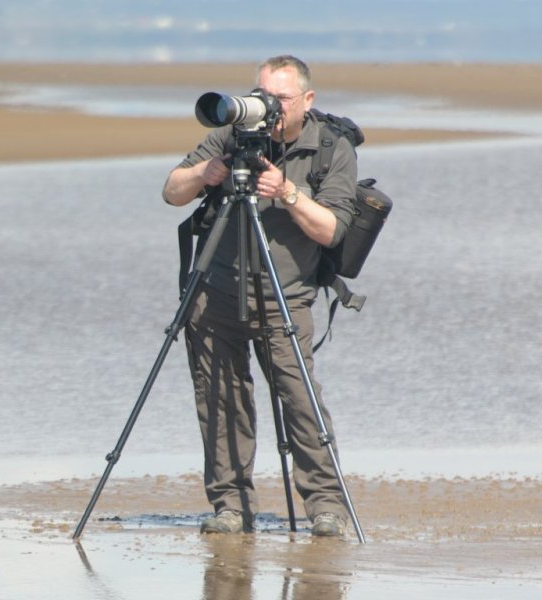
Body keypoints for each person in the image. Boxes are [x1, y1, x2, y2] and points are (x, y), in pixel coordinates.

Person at [163, 55, 357, 537]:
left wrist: (289, 193)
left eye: (280, 99)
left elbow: (333, 230)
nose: (267, 107)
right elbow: (171, 190)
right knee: (221, 401)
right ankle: (231, 507)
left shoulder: (332, 147)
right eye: (261, 95)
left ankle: (326, 507)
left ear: (307, 101)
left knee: (300, 400)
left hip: (285, 298)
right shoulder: (233, 136)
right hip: (216, 295)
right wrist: (205, 173)